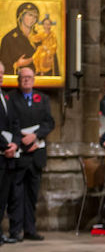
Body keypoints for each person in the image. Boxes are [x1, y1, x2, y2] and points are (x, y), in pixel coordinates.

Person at [5, 65, 54, 241]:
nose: (26, 80)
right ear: (19, 80)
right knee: (16, 195)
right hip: (19, 153)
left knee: (32, 195)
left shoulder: (43, 98)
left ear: (34, 80)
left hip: (36, 153)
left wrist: (36, 136)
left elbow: (49, 123)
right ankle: (15, 231)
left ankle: (30, 229)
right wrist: (22, 142)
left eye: (29, 77)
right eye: (23, 77)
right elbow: (10, 123)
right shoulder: (10, 98)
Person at [0, 61, 21, 245]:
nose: (0, 76)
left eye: (1, 73)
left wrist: (15, 143)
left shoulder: (6, 97)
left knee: (3, 198)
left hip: (8, 156)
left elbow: (15, 122)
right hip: (1, 152)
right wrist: (5, 146)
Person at [0, 2, 39, 75]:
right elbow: (3, 65)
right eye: (30, 15)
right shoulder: (9, 39)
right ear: (21, 16)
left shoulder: (40, 37)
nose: (33, 19)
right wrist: (17, 65)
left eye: (35, 16)